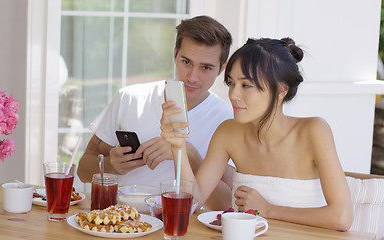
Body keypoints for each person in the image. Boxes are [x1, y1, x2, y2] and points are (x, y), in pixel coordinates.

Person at [160, 37, 353, 231]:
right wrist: (178, 146)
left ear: (281, 89)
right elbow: (193, 200)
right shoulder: (228, 132)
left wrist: (269, 209)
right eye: (231, 83)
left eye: (246, 85)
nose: (233, 95)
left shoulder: (313, 131)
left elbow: (341, 217)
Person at [77, 15, 234, 210]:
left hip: (183, 225)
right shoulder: (131, 98)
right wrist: (110, 165)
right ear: (175, 54)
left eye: (206, 68)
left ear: (222, 68)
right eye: (186, 62)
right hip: (123, 221)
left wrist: (187, 153)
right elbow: (83, 170)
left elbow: (227, 203)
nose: (193, 77)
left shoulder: (227, 120)